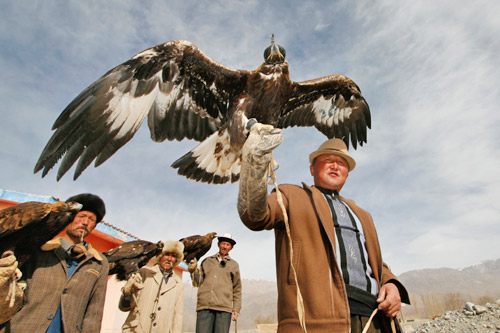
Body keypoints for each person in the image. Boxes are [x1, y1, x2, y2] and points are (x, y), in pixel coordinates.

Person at [237, 123, 410, 333]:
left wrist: (391, 284)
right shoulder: (291, 196)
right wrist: (255, 162)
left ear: (347, 172)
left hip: (373, 319)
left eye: (341, 163)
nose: (335, 165)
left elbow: (374, 261)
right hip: (315, 320)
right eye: (327, 160)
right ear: (312, 168)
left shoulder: (362, 215)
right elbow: (255, 216)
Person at [0, 193, 109, 332]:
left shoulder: (98, 263)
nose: (85, 222)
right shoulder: (39, 248)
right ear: (70, 216)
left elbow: (94, 313)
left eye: (91, 219)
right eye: (81, 216)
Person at [120, 240, 185, 333]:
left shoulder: (178, 284)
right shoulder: (144, 273)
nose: (169, 259)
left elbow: (178, 316)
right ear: (160, 255)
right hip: (136, 330)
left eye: (173, 256)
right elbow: (124, 307)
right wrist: (126, 294)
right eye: (167, 254)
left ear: (177, 260)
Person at [189, 233, 242, 333]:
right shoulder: (206, 261)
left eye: (227, 245)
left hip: (224, 309)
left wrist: (236, 309)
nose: (225, 247)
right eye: (223, 244)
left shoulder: (234, 265)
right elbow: (197, 282)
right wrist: (193, 270)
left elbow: (237, 289)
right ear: (218, 244)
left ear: (231, 247)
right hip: (205, 307)